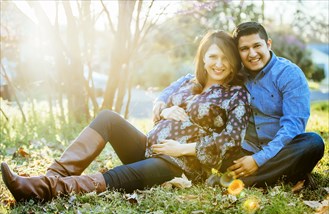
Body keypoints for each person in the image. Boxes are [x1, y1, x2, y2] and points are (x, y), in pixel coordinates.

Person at [1, 30, 251, 202]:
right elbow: (160, 99)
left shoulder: (236, 95)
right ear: (204, 58)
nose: (219, 64)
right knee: (108, 117)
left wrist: (182, 149)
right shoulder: (188, 80)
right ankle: (53, 175)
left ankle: (38, 189)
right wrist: (163, 109)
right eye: (213, 56)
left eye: (225, 58)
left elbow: (230, 142)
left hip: (179, 166)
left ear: (233, 62)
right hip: (149, 149)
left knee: (118, 177)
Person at [153, 21, 325, 187]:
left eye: (257, 46)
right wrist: (161, 101)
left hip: (279, 151)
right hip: (241, 151)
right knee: (219, 148)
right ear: (237, 52)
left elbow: (292, 128)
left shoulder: (289, 74)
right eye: (244, 49)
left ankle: (243, 181)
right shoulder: (235, 72)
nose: (252, 54)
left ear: (268, 44)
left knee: (313, 143)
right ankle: (285, 174)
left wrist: (257, 160)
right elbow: (189, 79)